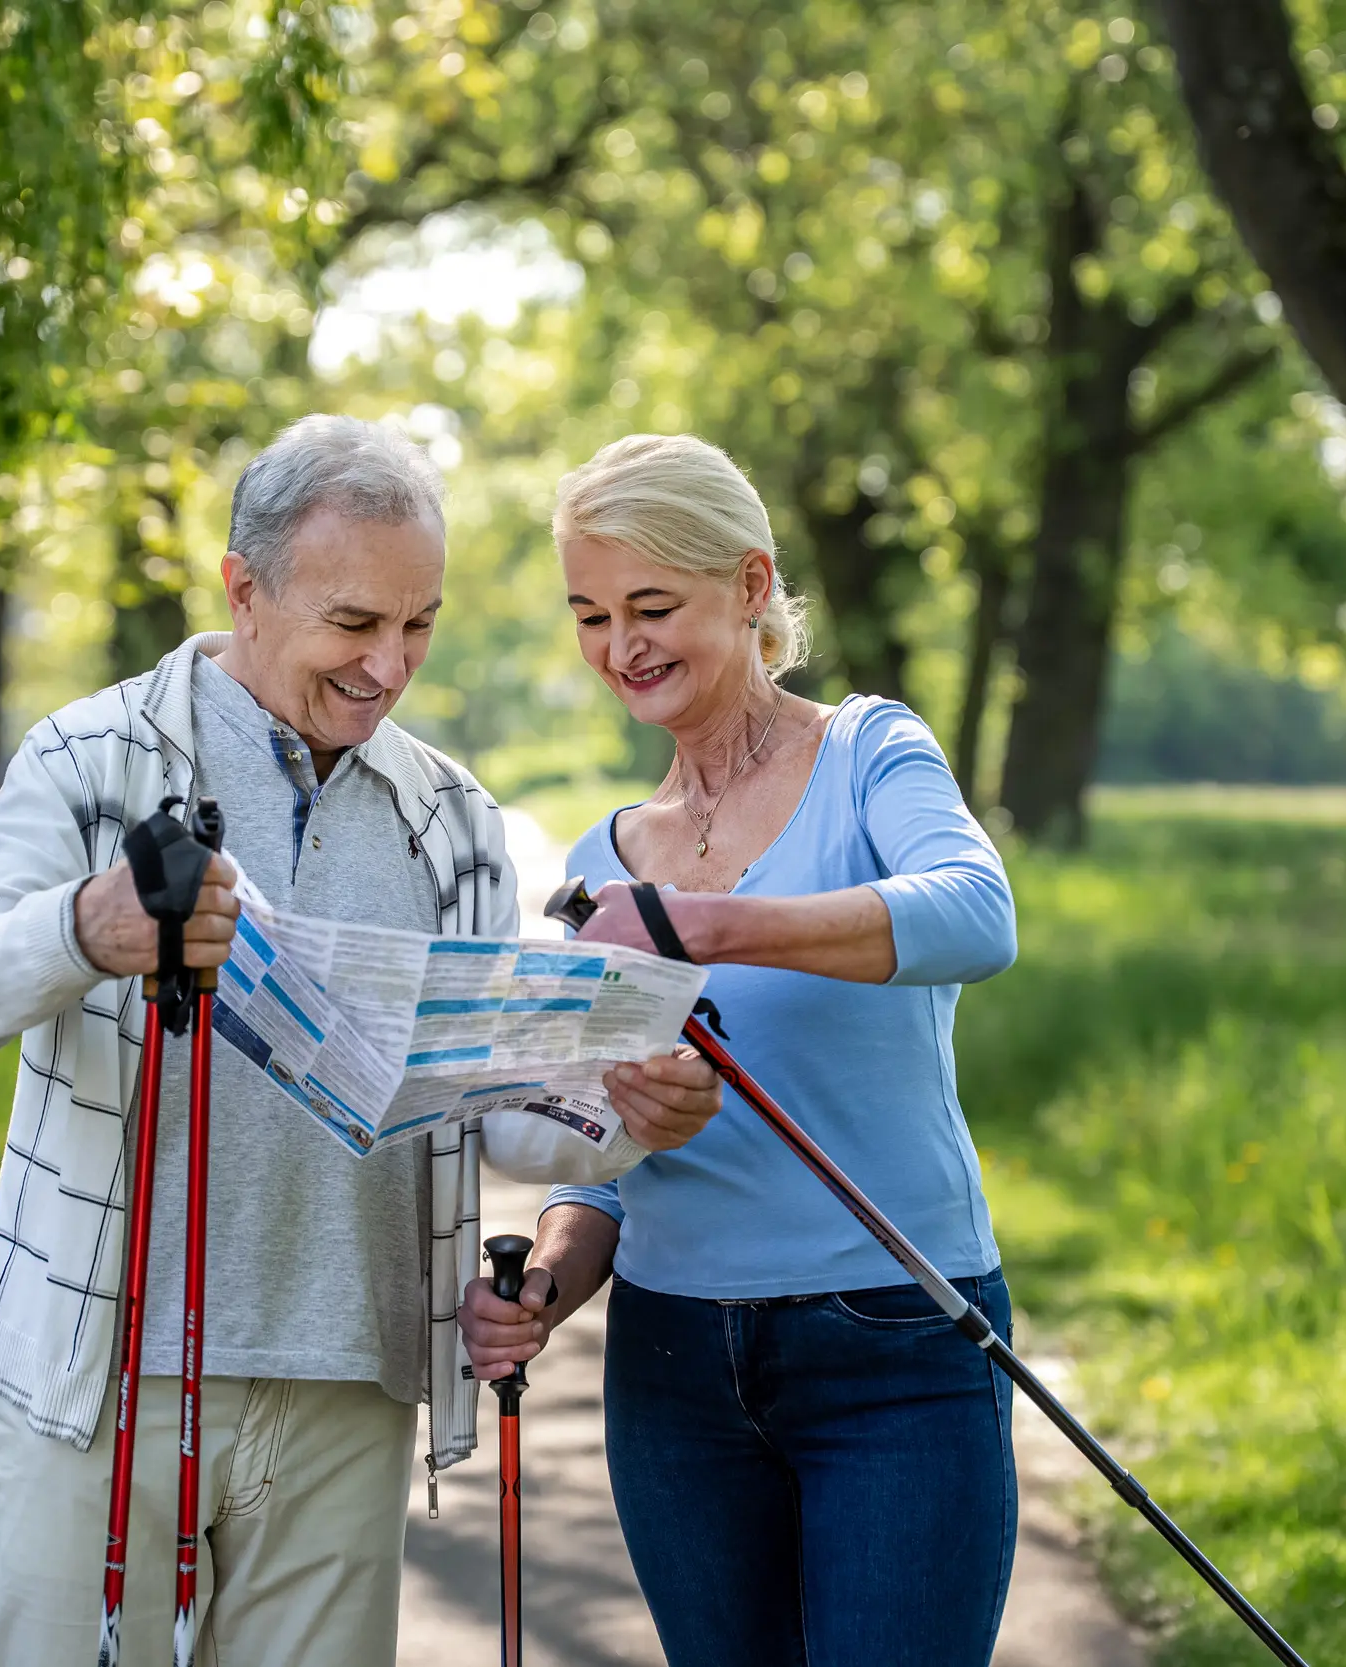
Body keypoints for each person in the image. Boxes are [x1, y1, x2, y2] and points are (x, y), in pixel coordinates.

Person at [0, 415, 723, 1667]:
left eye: (417, 624)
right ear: (244, 590)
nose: (389, 664)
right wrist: (82, 929)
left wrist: (620, 1105)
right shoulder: (88, 757)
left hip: (350, 1384)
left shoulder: (454, 818)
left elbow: (499, 1108)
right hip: (108, 1383)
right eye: (353, 623)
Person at [457, 432, 1022, 1667]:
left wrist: (702, 926)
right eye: (590, 614)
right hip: (674, 1369)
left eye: (654, 605)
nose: (622, 646)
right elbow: (586, 1148)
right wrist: (548, 1280)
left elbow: (978, 915)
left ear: (752, 586)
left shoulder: (870, 753)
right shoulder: (601, 864)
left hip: (895, 1341)